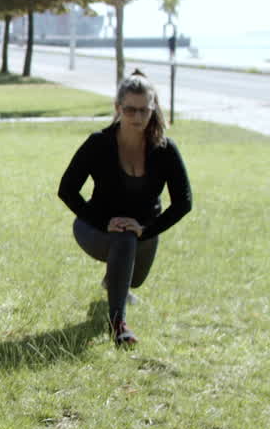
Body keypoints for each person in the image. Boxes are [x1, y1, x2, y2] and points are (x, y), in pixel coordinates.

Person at [58, 69, 192, 346]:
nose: (138, 118)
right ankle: (118, 322)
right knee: (123, 236)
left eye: (144, 110)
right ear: (117, 108)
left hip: (144, 231)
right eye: (130, 110)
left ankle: (114, 280)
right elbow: (67, 189)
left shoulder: (165, 149)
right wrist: (101, 221)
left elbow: (184, 201)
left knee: (135, 277)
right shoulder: (99, 143)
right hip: (94, 228)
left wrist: (147, 229)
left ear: (153, 109)